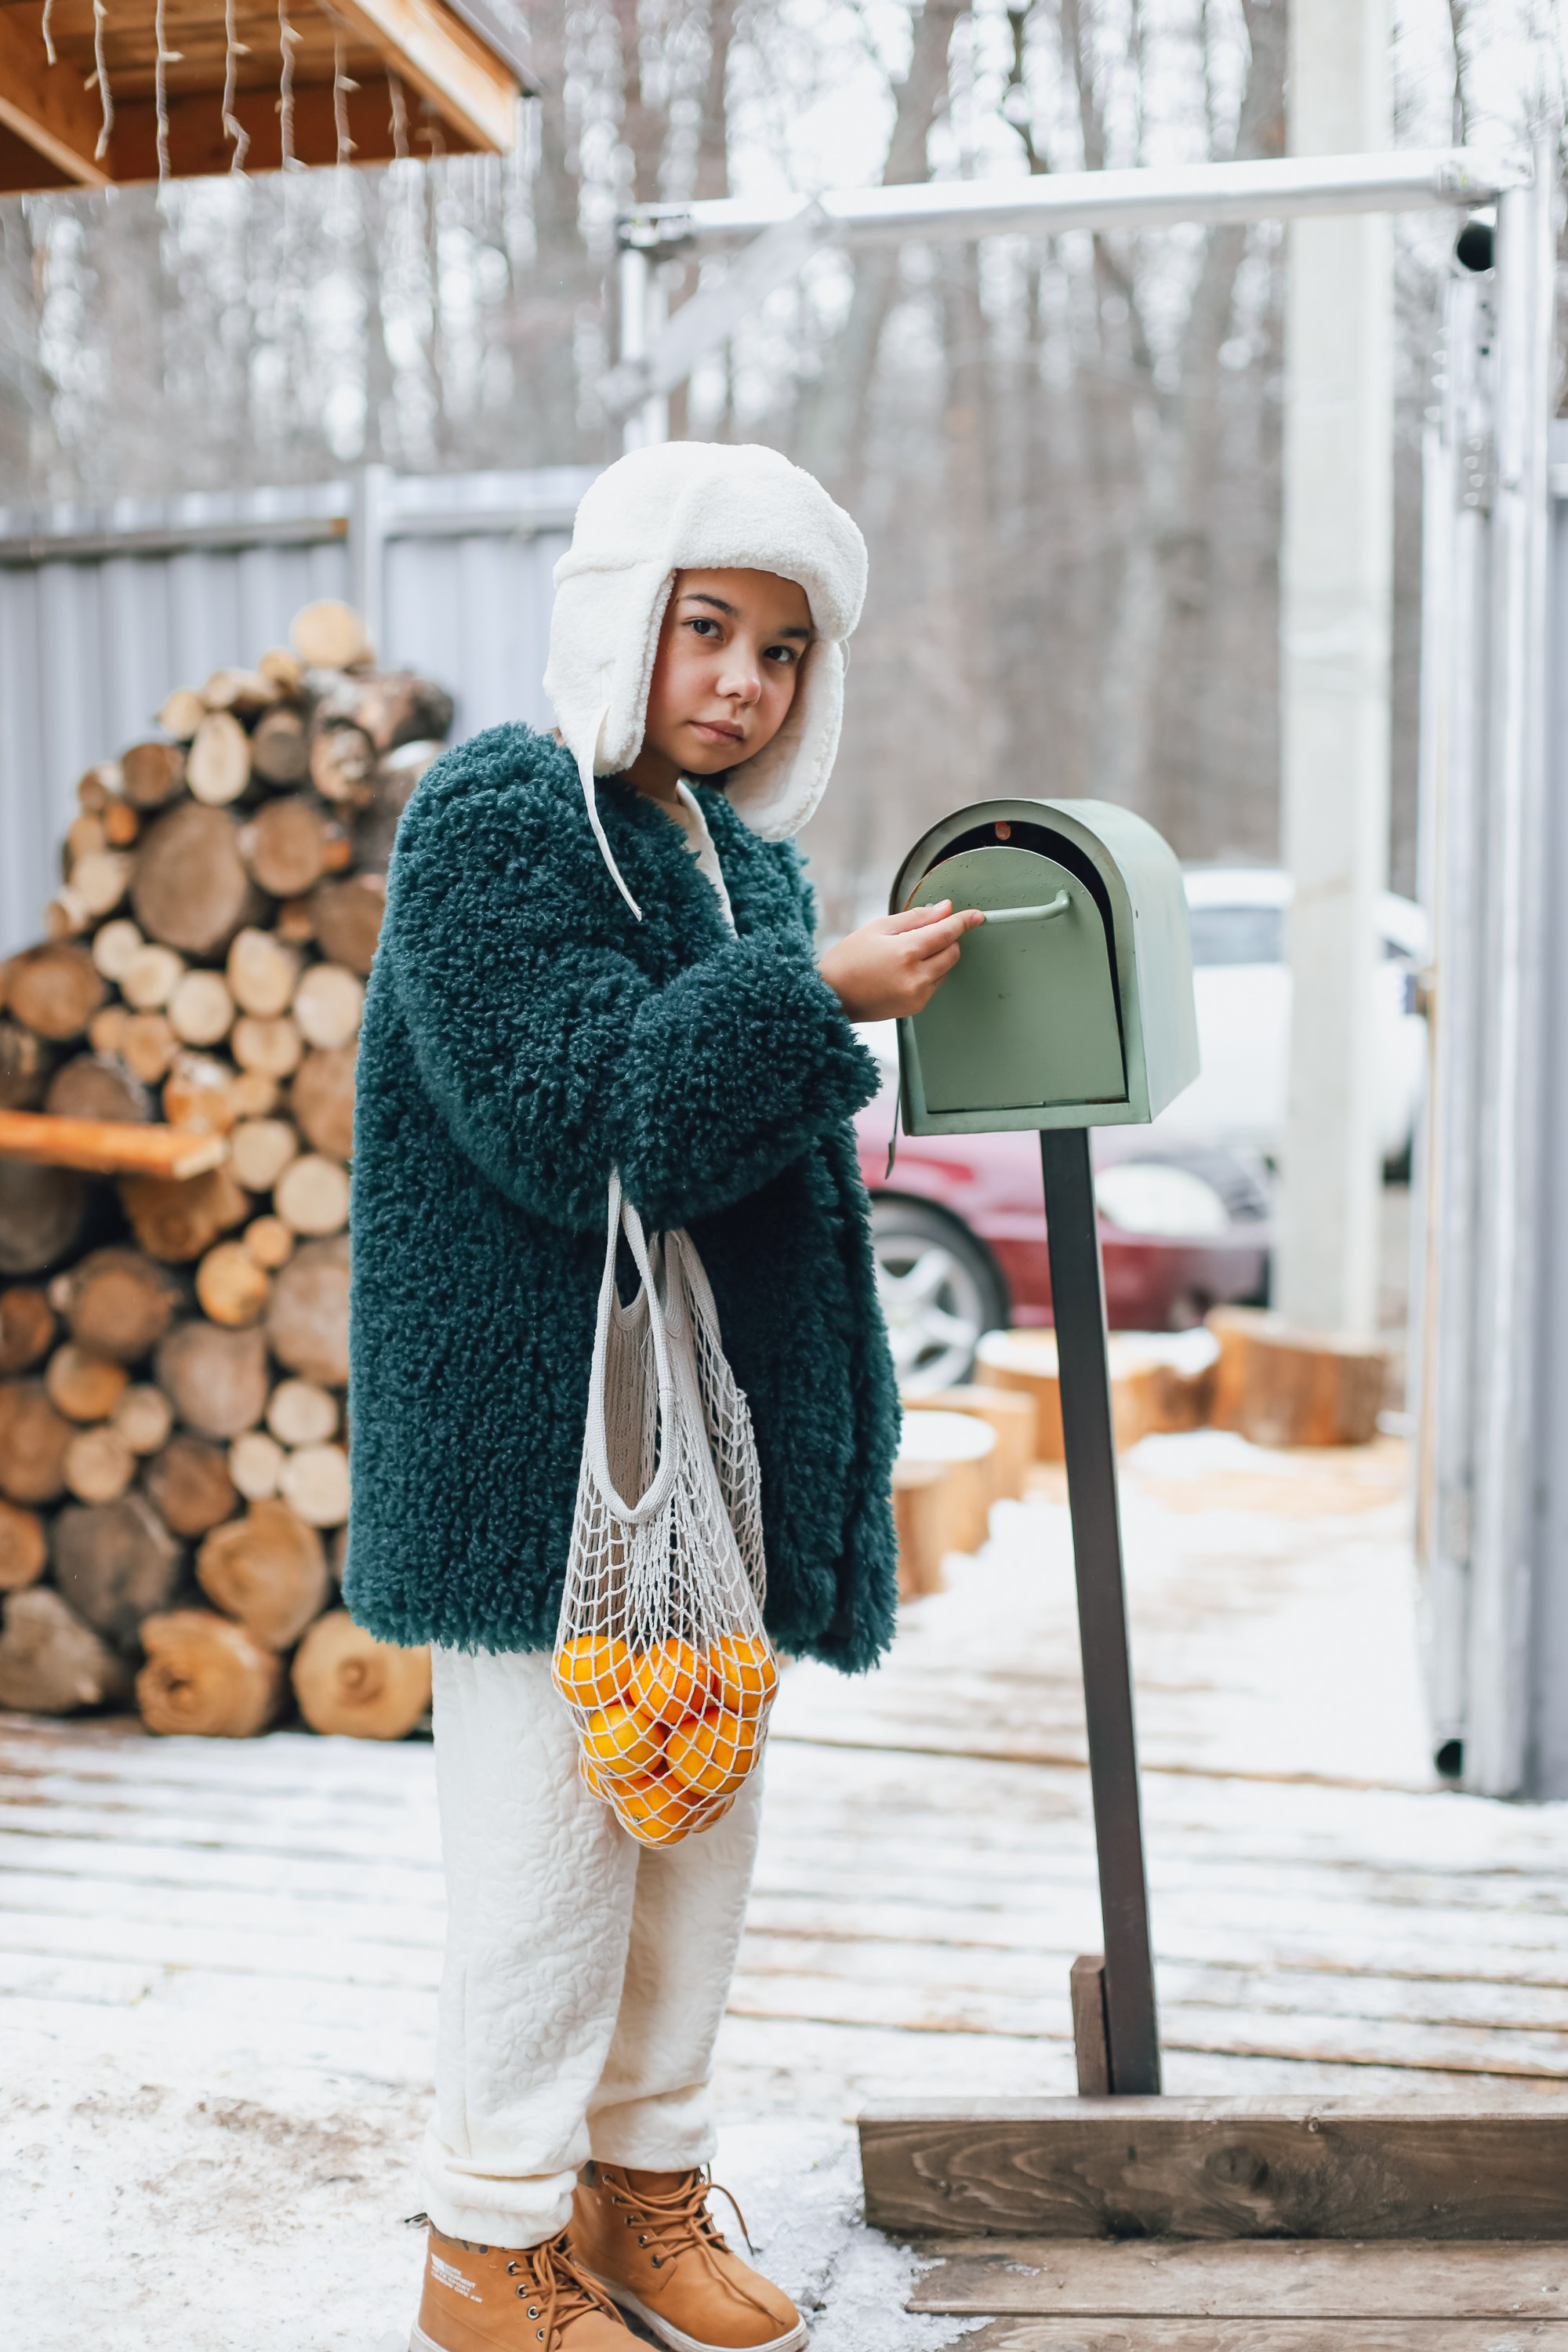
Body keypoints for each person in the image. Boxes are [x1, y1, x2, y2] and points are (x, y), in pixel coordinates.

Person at [344, 441, 982, 2352]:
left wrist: (817, 979)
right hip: (547, 1460)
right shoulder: (499, 816)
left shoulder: (745, 862)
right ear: (621, 615)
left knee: (694, 1835)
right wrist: (823, 1000)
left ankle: (646, 2194)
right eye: (709, 627)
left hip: (714, 1459)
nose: (742, 680)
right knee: (549, 1859)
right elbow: (582, 1114)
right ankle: (487, 2237)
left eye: (785, 651)